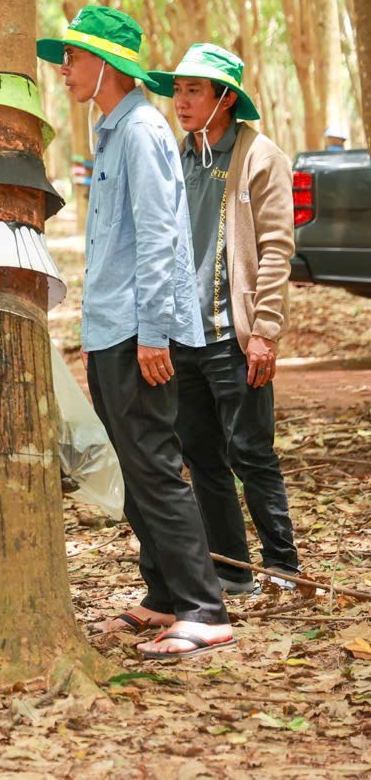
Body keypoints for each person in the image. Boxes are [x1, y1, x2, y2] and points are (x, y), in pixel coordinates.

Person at [37, 6, 234, 659]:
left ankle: (204, 609)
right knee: (130, 465)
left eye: (72, 58)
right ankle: (164, 594)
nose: (63, 70)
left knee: (153, 464)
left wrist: (154, 333)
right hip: (110, 329)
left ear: (105, 64)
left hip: (138, 331)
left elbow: (160, 238)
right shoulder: (111, 131)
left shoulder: (144, 129)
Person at [149, 44, 300, 594]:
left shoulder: (260, 157)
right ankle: (234, 572)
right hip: (183, 335)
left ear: (226, 98)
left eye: (194, 90)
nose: (181, 101)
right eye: (177, 90)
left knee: (251, 452)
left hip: (233, 336)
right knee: (202, 456)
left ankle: (282, 567)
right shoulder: (177, 156)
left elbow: (277, 248)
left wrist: (264, 331)